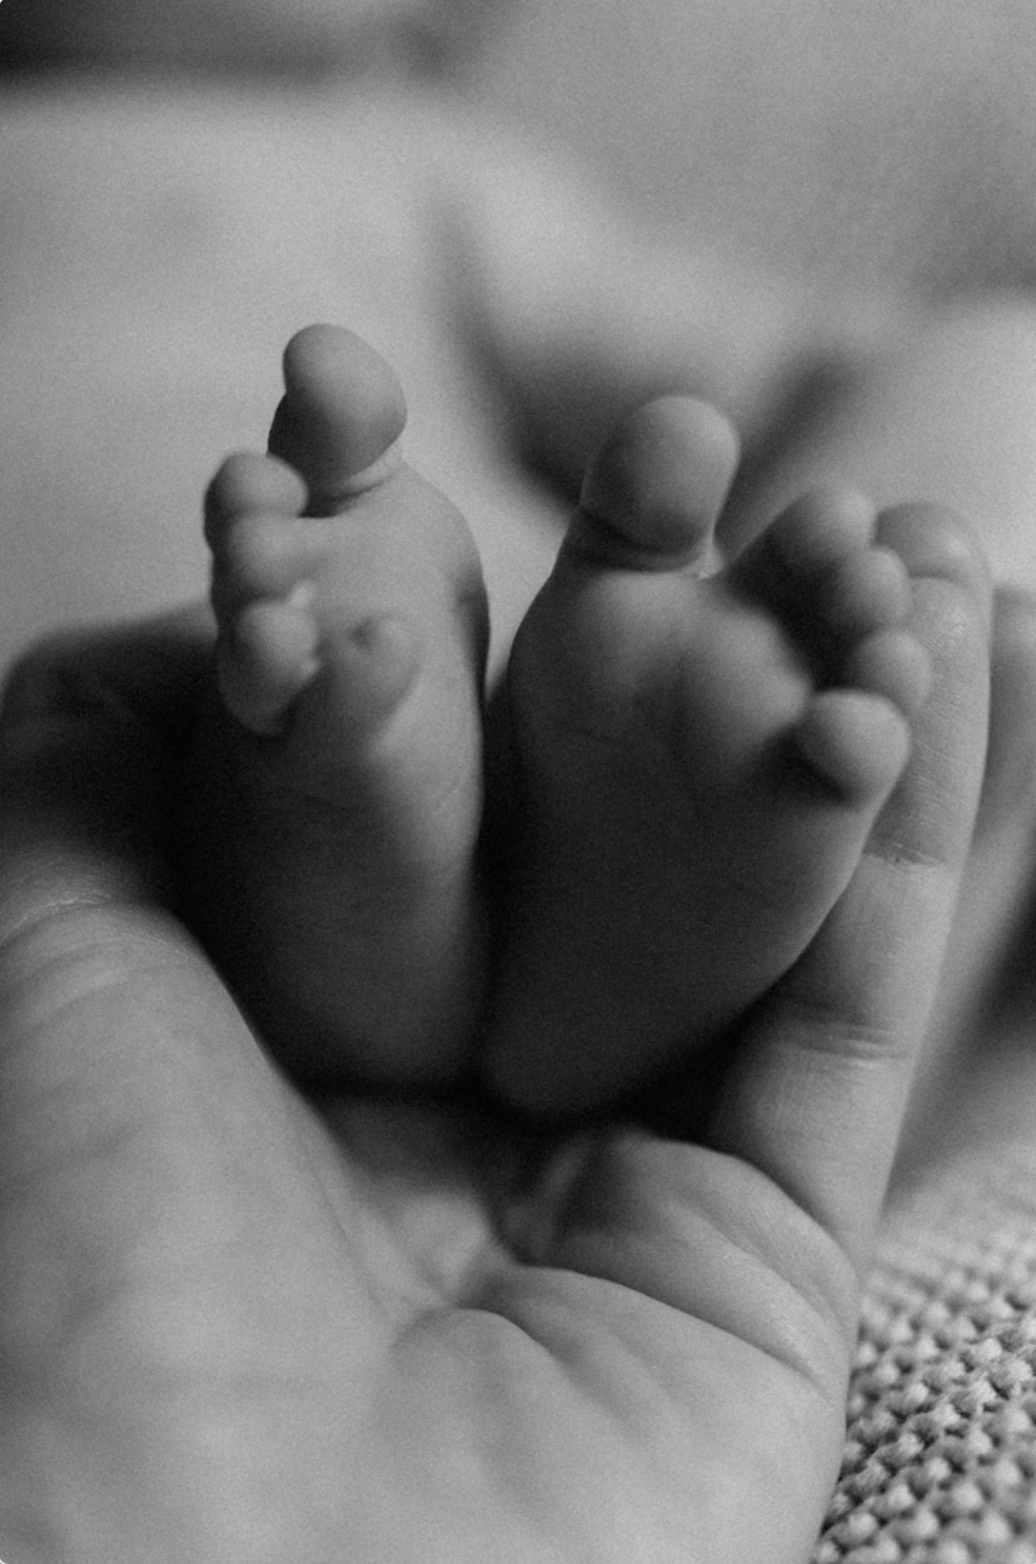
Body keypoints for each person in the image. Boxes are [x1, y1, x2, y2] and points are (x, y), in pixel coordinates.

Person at [0, 370, 994, 1561]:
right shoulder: (413, 193)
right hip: (461, 653)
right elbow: (748, 361)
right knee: (990, 393)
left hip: (180, 817)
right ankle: (503, 858)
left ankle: (340, 841)